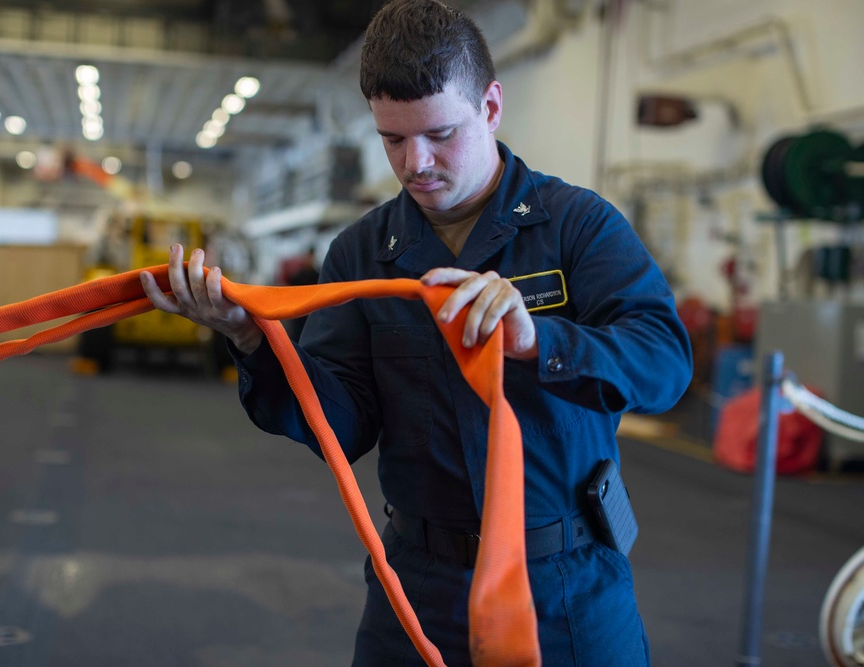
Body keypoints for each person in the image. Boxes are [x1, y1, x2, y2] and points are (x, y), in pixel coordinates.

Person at [140, 0, 692, 664]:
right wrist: (252, 338)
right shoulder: (361, 255)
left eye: (438, 133)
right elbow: (340, 426)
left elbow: (664, 364)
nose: (415, 162)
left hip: (566, 586)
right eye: (392, 139)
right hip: (419, 587)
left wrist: (538, 341)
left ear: (490, 106)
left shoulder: (578, 227)